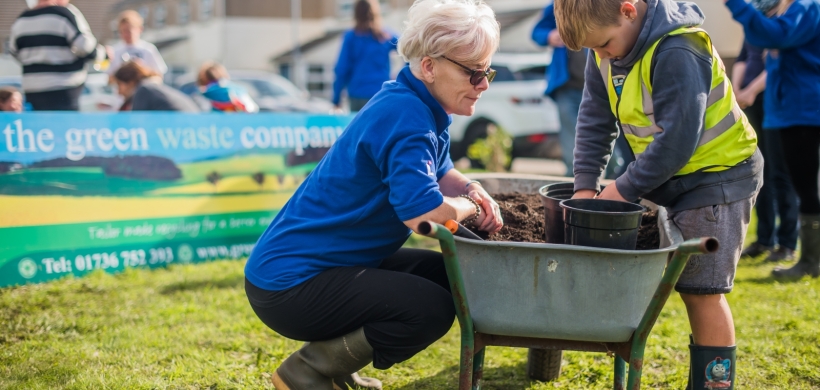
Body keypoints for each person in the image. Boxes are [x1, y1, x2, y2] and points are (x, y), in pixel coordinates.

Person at [244, 0, 503, 388]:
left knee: (449, 276)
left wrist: (471, 188)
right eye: (473, 73)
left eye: (487, 72)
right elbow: (424, 218)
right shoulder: (407, 116)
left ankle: (335, 362)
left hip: (325, 267)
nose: (482, 84)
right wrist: (469, 207)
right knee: (429, 308)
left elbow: (441, 168)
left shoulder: (419, 102)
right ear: (430, 66)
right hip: (290, 286)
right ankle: (309, 370)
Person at [553, 0, 762, 388]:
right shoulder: (606, 48)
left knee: (702, 290)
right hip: (671, 179)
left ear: (629, 11)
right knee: (684, 284)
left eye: (604, 44)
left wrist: (622, 189)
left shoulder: (679, 50)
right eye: (594, 49)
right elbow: (595, 117)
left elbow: (677, 141)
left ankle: (714, 384)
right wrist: (585, 184)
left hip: (717, 177)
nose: (600, 55)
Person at [725, 0, 820, 280]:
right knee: (797, 184)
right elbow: (757, 40)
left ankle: (811, 261)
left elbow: (772, 36)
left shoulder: (806, 6)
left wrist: (735, 4)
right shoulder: (788, 9)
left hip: (804, 111)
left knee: (804, 188)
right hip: (787, 111)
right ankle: (810, 259)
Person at [733, 20, 799, 262]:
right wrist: (736, 89)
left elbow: (777, 63)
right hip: (747, 102)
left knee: (783, 174)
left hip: (774, 102)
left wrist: (751, 90)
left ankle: (787, 243)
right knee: (760, 172)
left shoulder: (786, 23)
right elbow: (742, 57)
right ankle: (764, 239)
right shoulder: (755, 25)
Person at [8, 0, 103, 111]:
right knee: (65, 127)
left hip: (33, 90)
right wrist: (104, 54)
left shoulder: (21, 19)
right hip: (63, 90)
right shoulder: (64, 14)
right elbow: (85, 46)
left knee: (41, 127)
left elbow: (14, 52)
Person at [332, 0, 399, 112]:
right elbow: (409, 47)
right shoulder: (385, 36)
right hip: (381, 93)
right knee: (381, 128)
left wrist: (336, 99)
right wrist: (400, 78)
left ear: (356, 13)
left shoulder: (351, 37)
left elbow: (341, 69)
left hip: (357, 95)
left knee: (359, 129)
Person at [113, 61, 199, 112]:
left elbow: (135, 126)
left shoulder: (144, 90)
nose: (118, 92)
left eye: (119, 85)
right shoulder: (152, 88)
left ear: (131, 82)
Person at [107, 10, 168, 79]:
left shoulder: (148, 49)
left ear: (140, 29)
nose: (125, 34)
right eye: (122, 31)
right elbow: (109, 79)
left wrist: (141, 70)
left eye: (128, 31)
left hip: (142, 89)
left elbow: (159, 75)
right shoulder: (114, 51)